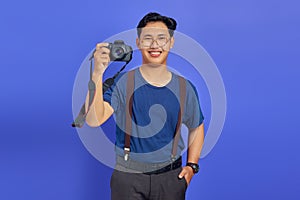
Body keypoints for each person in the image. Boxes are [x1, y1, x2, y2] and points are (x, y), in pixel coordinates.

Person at [85, 12, 205, 200]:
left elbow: (197, 126)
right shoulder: (123, 83)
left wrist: (192, 166)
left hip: (170, 179)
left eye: (161, 38)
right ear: (138, 42)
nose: (155, 45)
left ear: (171, 43)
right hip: (128, 178)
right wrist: (97, 74)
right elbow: (93, 119)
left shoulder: (185, 88)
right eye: (148, 38)